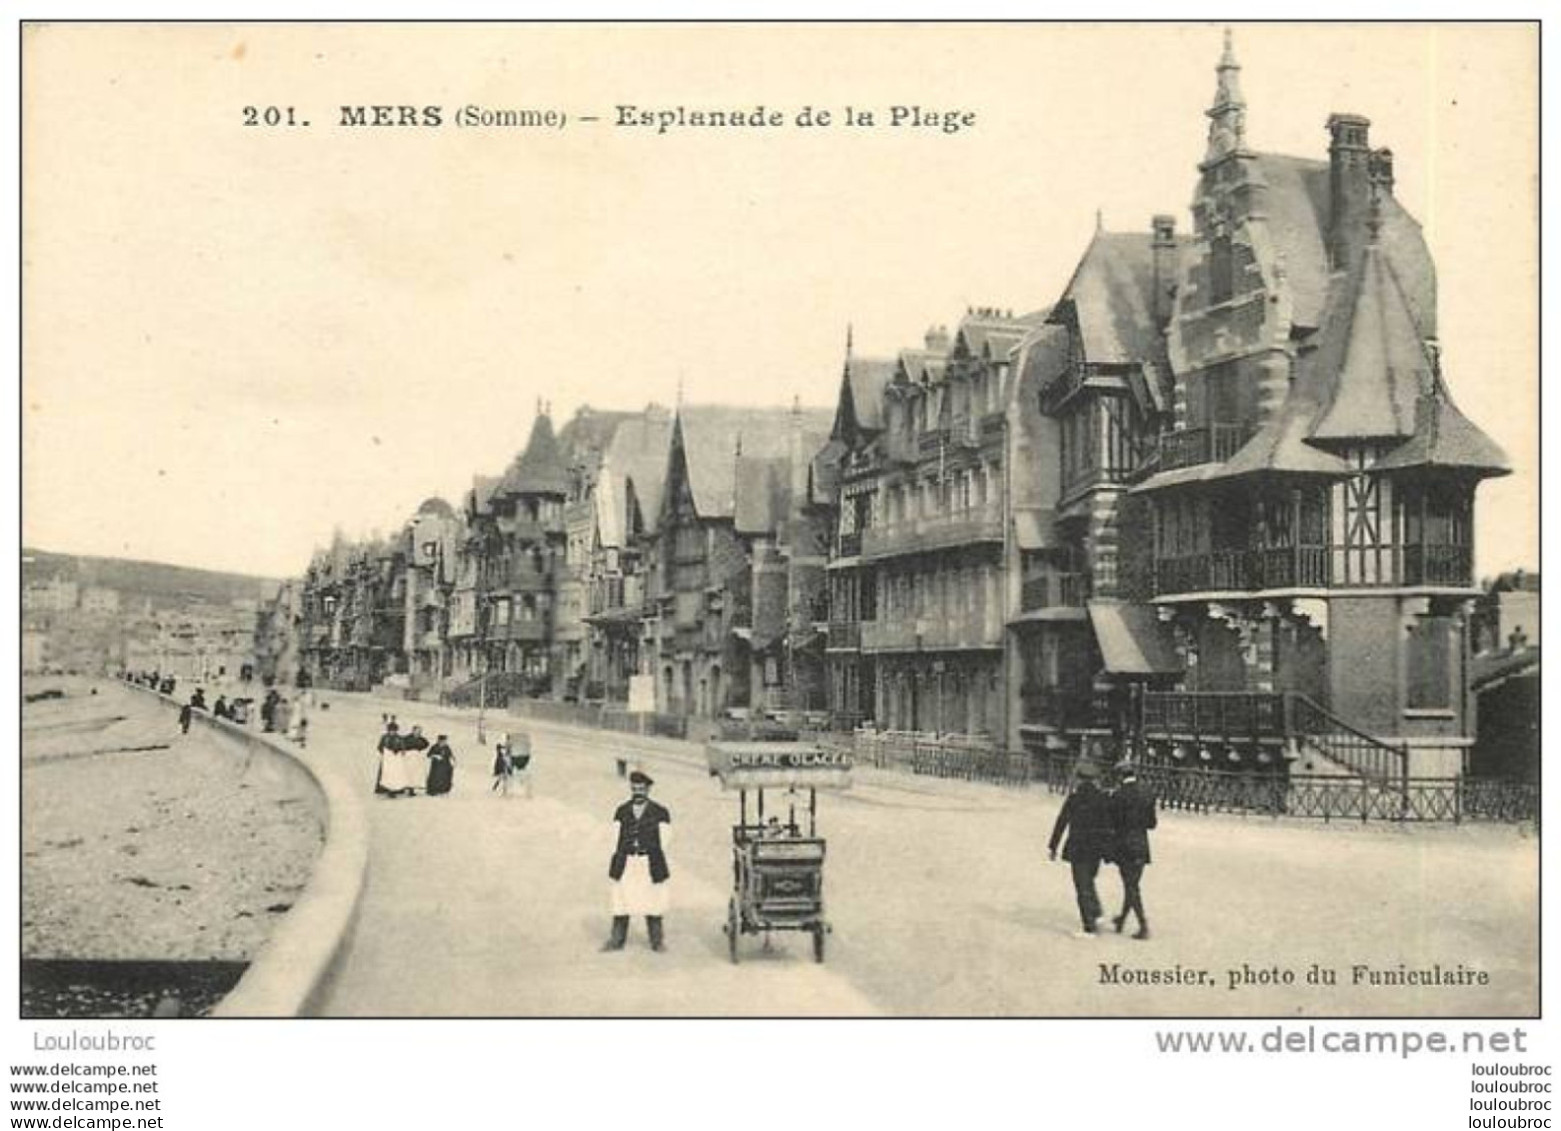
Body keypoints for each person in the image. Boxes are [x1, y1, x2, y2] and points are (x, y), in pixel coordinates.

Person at [602, 770, 672, 953]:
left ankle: (657, 941)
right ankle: (617, 940)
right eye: (634, 789)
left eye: (641, 789)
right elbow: (614, 837)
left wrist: (650, 851)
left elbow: (665, 839)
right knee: (620, 901)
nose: (638, 792)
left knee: (654, 901)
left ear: (648, 790)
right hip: (627, 861)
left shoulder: (660, 812)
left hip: (649, 861)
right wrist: (621, 855)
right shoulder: (622, 811)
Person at [1047, 760, 1114, 936]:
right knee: (1089, 881)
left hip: (1078, 848)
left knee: (1082, 887)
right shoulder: (1103, 798)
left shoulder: (1075, 798)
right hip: (1096, 849)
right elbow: (1109, 826)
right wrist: (1108, 851)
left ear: (1080, 779)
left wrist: (1053, 846)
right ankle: (1097, 912)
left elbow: (1061, 822)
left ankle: (1089, 927)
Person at [1109, 761, 1158, 941]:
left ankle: (1143, 925)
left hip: (1124, 846)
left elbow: (1112, 822)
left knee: (1130, 886)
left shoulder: (1118, 795)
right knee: (1132, 884)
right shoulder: (1147, 792)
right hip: (1141, 845)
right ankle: (1121, 919)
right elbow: (1152, 824)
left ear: (1121, 776)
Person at [375, 720, 406, 797]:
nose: (392, 732)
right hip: (387, 758)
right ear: (388, 730)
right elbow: (379, 747)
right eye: (391, 730)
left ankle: (396, 789)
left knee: (395, 774)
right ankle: (383, 788)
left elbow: (403, 747)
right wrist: (385, 752)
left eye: (394, 730)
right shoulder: (384, 737)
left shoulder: (399, 738)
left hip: (395, 759)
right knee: (385, 773)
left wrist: (399, 751)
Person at [400, 724, 430, 793]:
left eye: (420, 731)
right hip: (408, 757)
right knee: (407, 772)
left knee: (415, 773)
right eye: (417, 731)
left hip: (416, 757)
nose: (418, 732)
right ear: (413, 730)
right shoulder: (407, 738)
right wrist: (404, 750)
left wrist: (420, 749)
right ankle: (404, 787)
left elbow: (426, 744)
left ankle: (412, 789)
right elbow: (402, 743)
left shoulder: (421, 739)